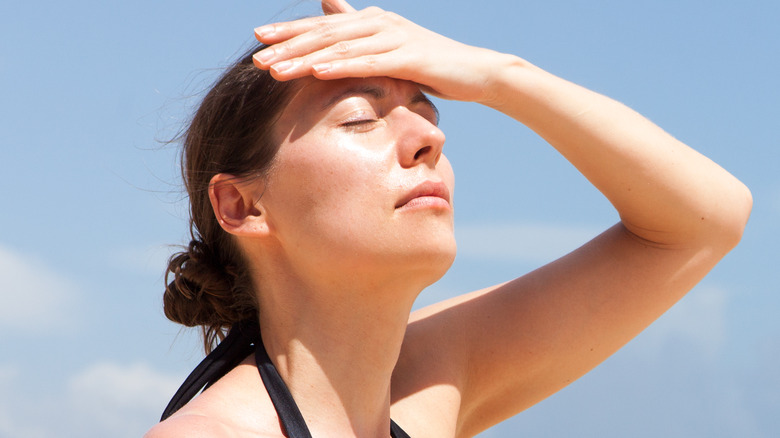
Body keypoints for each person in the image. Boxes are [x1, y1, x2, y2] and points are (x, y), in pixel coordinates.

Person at [145, 0, 752, 436]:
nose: (427, 138)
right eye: (360, 118)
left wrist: (499, 76)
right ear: (242, 205)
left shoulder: (426, 384)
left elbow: (705, 220)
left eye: (428, 112)